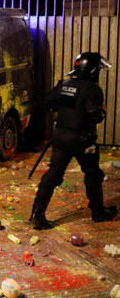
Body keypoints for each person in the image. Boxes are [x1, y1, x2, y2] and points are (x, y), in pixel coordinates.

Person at [29, 52, 118, 229]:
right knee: (93, 173)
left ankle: (37, 214)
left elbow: (46, 103)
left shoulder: (65, 85)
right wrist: (103, 110)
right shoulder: (93, 89)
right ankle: (98, 212)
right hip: (82, 139)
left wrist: (63, 108)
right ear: (93, 70)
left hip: (60, 137)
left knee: (53, 174)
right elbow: (95, 116)